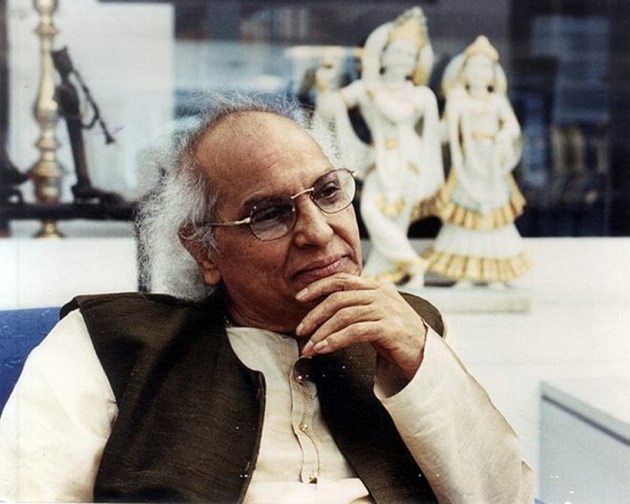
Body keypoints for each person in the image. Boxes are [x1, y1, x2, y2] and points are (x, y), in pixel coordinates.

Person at [0, 93, 533, 503]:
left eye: (328, 192)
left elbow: (506, 497)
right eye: (270, 214)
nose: (319, 232)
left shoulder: (410, 328)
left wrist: (419, 360)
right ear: (203, 249)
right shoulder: (104, 343)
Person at [316, 7, 444, 288]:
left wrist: (373, 88)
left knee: (397, 221)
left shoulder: (420, 94)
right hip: (379, 161)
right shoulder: (365, 87)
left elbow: (399, 114)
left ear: (417, 62)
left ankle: (400, 271)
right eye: (396, 52)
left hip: (408, 162)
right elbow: (330, 107)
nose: (402, 59)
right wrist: (325, 83)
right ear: (382, 55)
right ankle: (411, 263)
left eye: (409, 55)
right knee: (370, 211)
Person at [422, 36, 530, 287]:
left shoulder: (497, 101)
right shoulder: (459, 100)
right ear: (463, 72)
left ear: (493, 74)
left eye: (484, 68)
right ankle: (466, 274)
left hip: (492, 166)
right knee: (465, 219)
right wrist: (445, 115)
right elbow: (444, 134)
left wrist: (503, 136)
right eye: (473, 67)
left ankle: (494, 274)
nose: (479, 73)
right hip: (468, 167)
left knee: (494, 219)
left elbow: (512, 127)